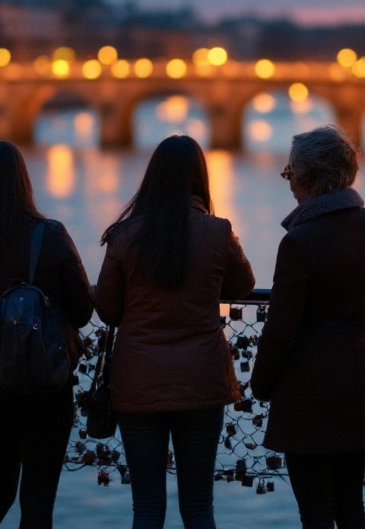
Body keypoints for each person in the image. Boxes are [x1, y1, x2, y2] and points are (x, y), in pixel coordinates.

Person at [250, 125, 365, 529]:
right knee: (351, 506)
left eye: (289, 173)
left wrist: (260, 383)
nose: (288, 183)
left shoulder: (299, 240)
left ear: (306, 176)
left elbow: (282, 327)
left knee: (316, 510)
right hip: (359, 379)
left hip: (308, 390)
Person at [94, 135, 255, 529]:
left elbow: (108, 309)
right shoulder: (217, 232)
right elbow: (245, 285)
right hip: (201, 381)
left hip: (139, 382)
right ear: (200, 179)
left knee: (146, 508)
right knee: (199, 507)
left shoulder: (124, 235)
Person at [0, 141, 94, 528]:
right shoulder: (50, 235)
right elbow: (81, 312)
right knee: (38, 504)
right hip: (48, 383)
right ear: (23, 182)